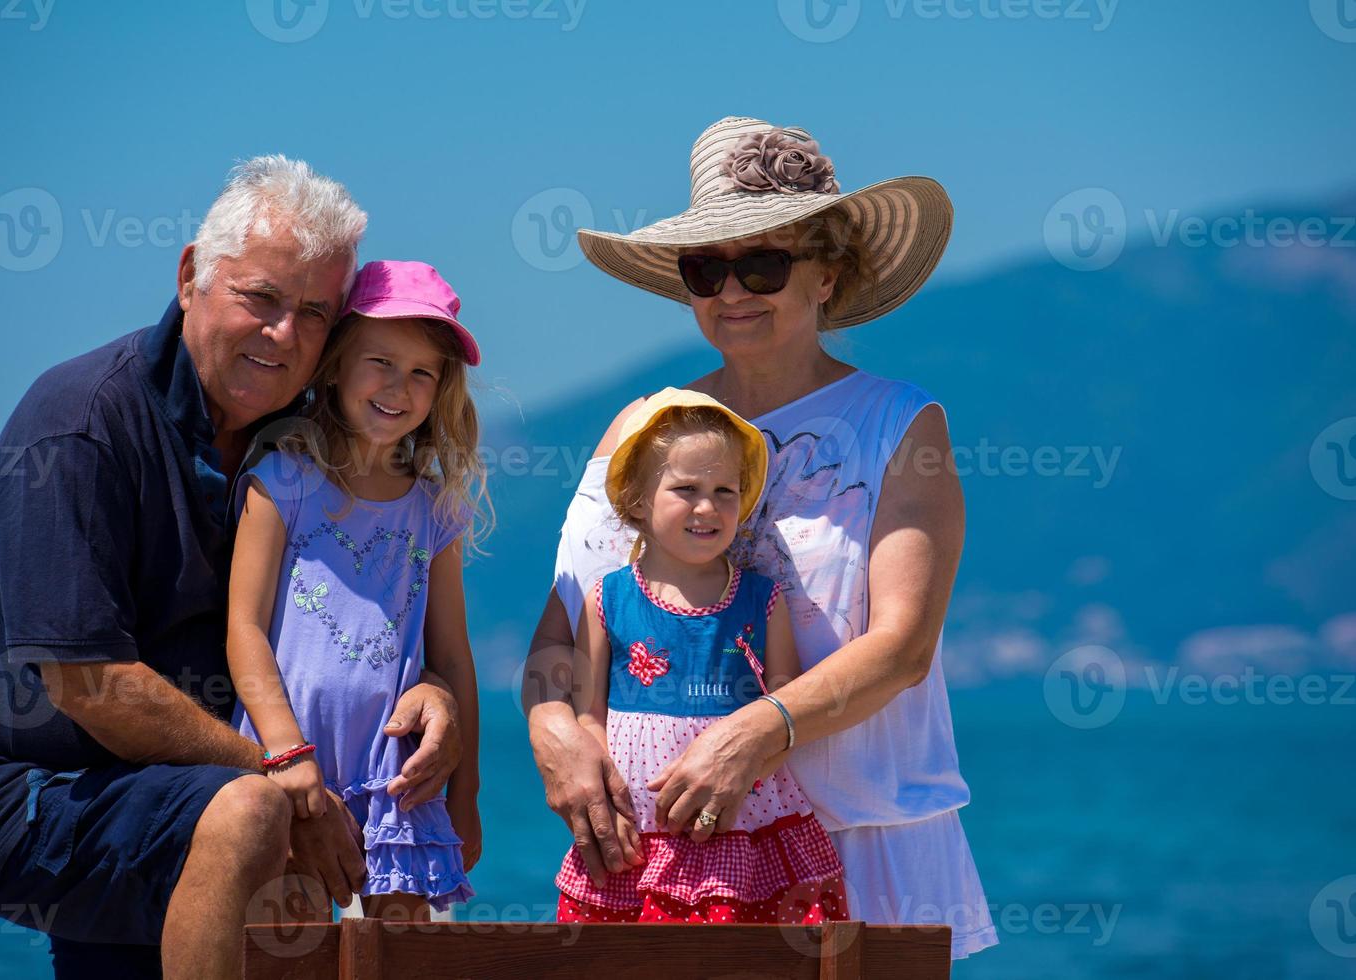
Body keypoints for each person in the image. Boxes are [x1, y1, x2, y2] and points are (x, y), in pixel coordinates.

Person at [0, 157, 465, 980]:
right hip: (43, 793)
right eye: (261, 298)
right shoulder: (80, 425)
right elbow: (90, 685)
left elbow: (382, 606)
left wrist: (433, 686)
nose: (283, 334)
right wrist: (288, 777)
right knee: (254, 813)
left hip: (204, 785)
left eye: (314, 313)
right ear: (190, 276)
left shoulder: (311, 440)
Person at [526, 116, 998, 957]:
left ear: (828, 274)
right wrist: (550, 729)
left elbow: (902, 647)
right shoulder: (638, 427)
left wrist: (751, 736)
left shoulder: (900, 423)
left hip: (864, 834)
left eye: (763, 263)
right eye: (707, 269)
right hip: (662, 857)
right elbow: (565, 630)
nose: (731, 290)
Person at [228, 260, 486, 922]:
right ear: (337, 365)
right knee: (290, 949)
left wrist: (465, 797)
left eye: (421, 372)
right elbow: (244, 629)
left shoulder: (435, 511)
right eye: (380, 361)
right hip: (286, 764)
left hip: (398, 774)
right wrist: (286, 755)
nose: (398, 387)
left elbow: (452, 658)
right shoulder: (282, 479)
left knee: (397, 954)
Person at [553, 389, 849, 924]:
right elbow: (588, 714)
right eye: (686, 489)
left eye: (725, 490)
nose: (708, 507)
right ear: (638, 500)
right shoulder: (606, 598)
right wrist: (607, 804)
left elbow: (784, 713)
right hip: (635, 835)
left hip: (742, 826)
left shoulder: (764, 599)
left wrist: (744, 781)